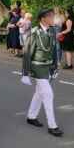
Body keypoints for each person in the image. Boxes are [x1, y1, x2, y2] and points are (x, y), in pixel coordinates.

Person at [22, 8, 63, 137]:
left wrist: (55, 66)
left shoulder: (52, 31)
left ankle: (31, 116)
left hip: (47, 66)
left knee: (39, 94)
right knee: (48, 94)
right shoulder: (34, 32)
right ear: (43, 19)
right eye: (50, 17)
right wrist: (25, 73)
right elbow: (27, 53)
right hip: (37, 67)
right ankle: (52, 125)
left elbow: (54, 50)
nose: (53, 19)